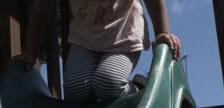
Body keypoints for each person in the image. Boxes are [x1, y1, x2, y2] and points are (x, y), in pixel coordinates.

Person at [22, 0, 181, 101]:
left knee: (107, 84)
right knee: (75, 90)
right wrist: (31, 53)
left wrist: (162, 33)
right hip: (85, 37)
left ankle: (137, 89)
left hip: (122, 32)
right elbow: (40, 8)